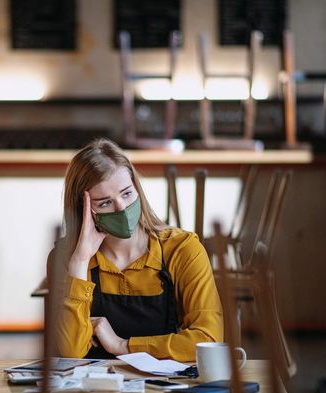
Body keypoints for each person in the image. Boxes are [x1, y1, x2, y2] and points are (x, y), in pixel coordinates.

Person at [47, 139, 223, 362]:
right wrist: (80, 262)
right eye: (105, 203)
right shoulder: (65, 259)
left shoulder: (183, 249)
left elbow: (208, 339)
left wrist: (122, 346)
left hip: (165, 391)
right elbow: (70, 352)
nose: (121, 208)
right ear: (84, 210)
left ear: (137, 189)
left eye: (127, 193)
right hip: (94, 392)